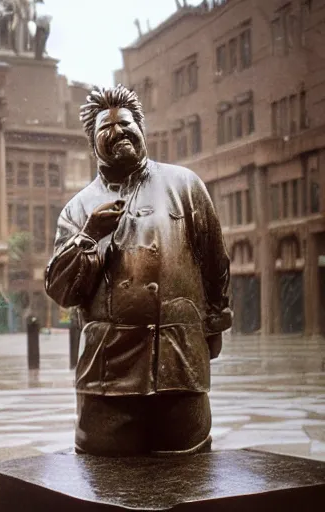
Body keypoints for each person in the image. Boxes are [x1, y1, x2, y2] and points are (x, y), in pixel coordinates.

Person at [45, 84, 232, 456]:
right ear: (92, 143)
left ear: (141, 128)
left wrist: (211, 329)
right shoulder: (79, 208)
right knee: (103, 474)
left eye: (126, 123)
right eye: (106, 129)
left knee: (189, 473)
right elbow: (62, 290)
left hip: (180, 364)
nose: (119, 132)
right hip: (107, 373)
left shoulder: (185, 185)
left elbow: (215, 264)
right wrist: (88, 236)